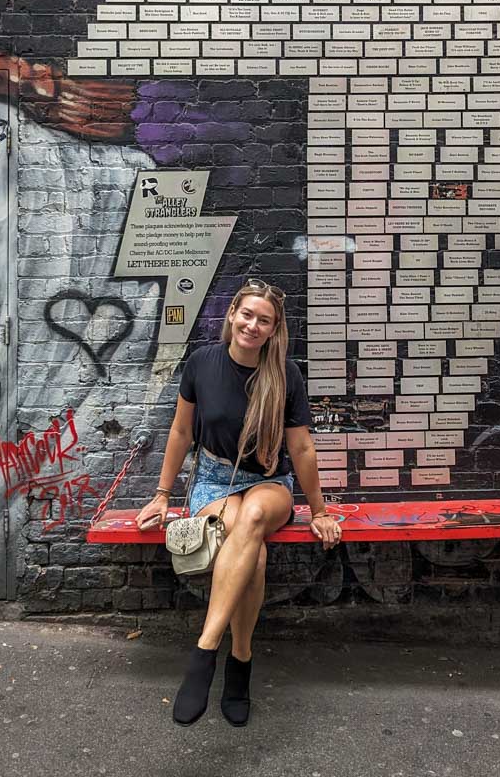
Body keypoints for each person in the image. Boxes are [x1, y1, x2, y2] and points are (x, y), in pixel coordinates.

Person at [135, 278, 342, 726]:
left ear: (273, 329)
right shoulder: (202, 364)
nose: (252, 325)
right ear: (231, 315)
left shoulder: (285, 375)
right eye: (246, 314)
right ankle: (239, 664)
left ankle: (204, 650)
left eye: (263, 320)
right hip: (213, 481)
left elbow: (302, 449)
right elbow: (180, 433)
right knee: (256, 555)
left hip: (269, 484)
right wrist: (162, 494)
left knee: (251, 515)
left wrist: (320, 511)